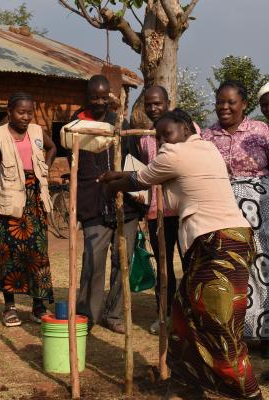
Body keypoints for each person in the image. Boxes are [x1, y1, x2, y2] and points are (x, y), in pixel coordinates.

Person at [99, 109, 262, 400]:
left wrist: (111, 184)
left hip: (220, 243)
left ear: (187, 127)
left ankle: (248, 394)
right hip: (226, 240)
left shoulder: (175, 154)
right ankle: (188, 384)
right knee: (183, 312)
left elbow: (139, 180)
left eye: (167, 133)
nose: (163, 141)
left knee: (219, 325)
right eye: (158, 136)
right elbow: (162, 186)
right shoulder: (206, 148)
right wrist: (123, 176)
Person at [72, 74, 144, 334]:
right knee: (93, 261)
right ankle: (86, 316)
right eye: (95, 97)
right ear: (87, 97)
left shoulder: (121, 125)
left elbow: (134, 163)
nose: (99, 102)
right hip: (93, 205)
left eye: (104, 97)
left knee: (122, 262)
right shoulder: (76, 126)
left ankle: (114, 315)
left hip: (124, 204)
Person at [202, 80, 269, 359]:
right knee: (228, 268)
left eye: (231, 102)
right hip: (220, 208)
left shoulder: (261, 131)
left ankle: (264, 333)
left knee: (261, 267)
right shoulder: (207, 136)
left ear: (244, 105)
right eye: (220, 102)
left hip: (260, 208)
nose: (225, 107)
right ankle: (233, 333)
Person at [0, 92, 56, 327]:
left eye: (29, 112)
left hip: (35, 202)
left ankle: (38, 307)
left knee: (38, 254)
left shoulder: (35, 132)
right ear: (9, 112)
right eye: (20, 112)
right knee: (8, 254)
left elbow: (52, 147)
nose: (25, 117)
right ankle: (10, 307)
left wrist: (44, 168)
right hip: (8, 201)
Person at [139, 86, 187, 335]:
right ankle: (164, 315)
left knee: (190, 265)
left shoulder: (184, 131)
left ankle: (189, 318)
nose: (153, 108)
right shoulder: (144, 137)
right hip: (157, 213)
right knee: (163, 267)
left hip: (183, 210)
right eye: (149, 104)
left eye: (158, 103)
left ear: (168, 103)